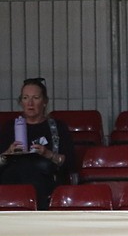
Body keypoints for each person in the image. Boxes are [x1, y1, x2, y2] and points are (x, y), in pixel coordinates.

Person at [0, 78, 75, 210]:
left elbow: (71, 163)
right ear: (21, 102)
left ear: (44, 102)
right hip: (13, 181)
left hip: (45, 181)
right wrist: (8, 153)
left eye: (35, 98)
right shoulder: (9, 128)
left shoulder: (57, 127)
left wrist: (47, 154)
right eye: (25, 98)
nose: (30, 103)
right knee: (21, 167)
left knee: (30, 167)